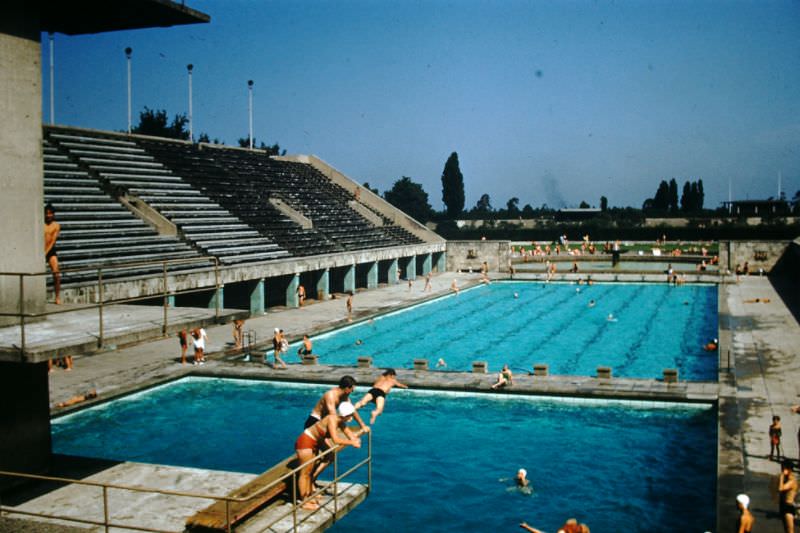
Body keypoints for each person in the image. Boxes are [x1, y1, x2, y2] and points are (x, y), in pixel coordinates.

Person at [294, 401, 361, 510]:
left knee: (310, 470)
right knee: (305, 473)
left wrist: (355, 439)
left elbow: (348, 432)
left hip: (315, 442)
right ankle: (304, 501)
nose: (352, 418)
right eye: (351, 415)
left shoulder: (340, 421)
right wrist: (352, 442)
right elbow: (336, 440)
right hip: (306, 442)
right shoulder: (332, 420)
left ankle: (308, 495)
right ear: (345, 415)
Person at [44, 203, 62, 304]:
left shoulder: (56, 225)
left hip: (50, 251)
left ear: (53, 214)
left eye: (50, 213)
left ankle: (57, 296)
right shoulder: (41, 224)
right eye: (47, 213)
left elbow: (52, 241)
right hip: (40, 249)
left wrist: (45, 253)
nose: (48, 215)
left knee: (56, 272)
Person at [778, 460, 797, 533]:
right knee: (786, 529)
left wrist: (781, 477)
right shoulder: (786, 479)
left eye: (784, 468)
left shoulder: (792, 481)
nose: (782, 471)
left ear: (789, 469)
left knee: (790, 531)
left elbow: (780, 488)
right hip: (783, 506)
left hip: (788, 507)